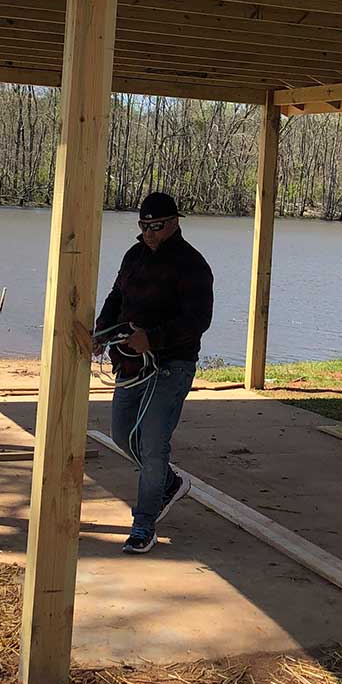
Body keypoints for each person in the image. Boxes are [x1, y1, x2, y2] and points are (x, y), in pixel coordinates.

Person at [94, 192, 214, 554]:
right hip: (130, 363)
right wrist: (102, 331)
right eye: (143, 226)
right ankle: (169, 483)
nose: (148, 233)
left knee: (152, 443)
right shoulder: (134, 256)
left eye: (156, 226)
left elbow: (197, 321)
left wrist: (154, 339)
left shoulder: (193, 265)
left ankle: (143, 525)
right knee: (121, 434)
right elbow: (116, 297)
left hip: (171, 366)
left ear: (174, 223)